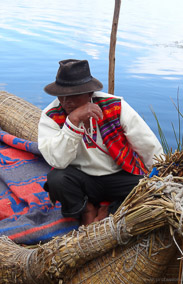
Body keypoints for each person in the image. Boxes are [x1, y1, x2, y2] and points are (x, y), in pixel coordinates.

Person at [38, 59, 163, 225]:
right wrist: (73, 121)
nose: (66, 101)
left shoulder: (115, 106)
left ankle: (109, 209)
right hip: (82, 181)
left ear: (90, 94)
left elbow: (147, 145)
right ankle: (87, 209)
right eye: (61, 94)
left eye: (73, 95)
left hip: (119, 176)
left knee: (149, 190)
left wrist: (162, 174)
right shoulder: (51, 115)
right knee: (57, 180)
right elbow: (58, 161)